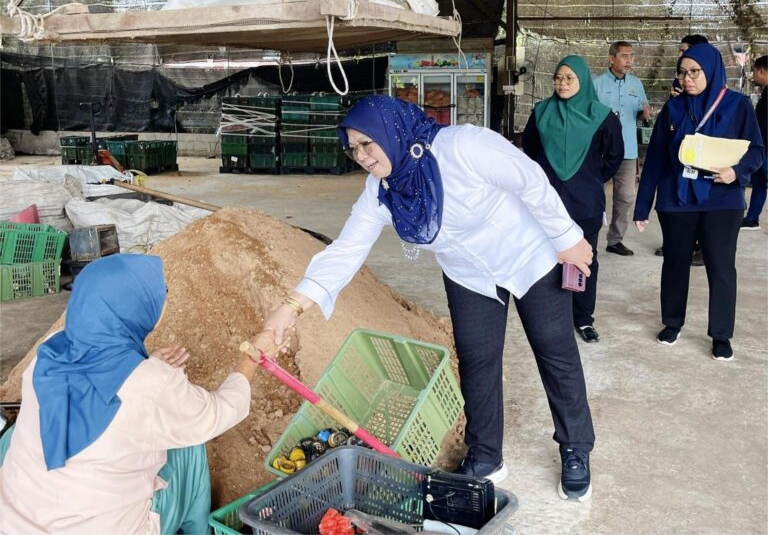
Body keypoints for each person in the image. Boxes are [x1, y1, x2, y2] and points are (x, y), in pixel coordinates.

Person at [262, 95, 597, 502]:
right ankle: (487, 456)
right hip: (469, 273)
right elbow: (345, 251)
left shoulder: (461, 146)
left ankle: (575, 447)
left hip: (529, 255)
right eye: (353, 148)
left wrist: (569, 239)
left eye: (368, 143)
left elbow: (529, 179)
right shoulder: (382, 191)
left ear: (392, 132)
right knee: (477, 359)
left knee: (554, 350)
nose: (362, 156)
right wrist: (293, 305)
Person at [0, 254, 272, 534]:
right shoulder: (150, 385)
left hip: (15, 522)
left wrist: (143, 364)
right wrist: (250, 361)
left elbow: (97, 384)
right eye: (160, 293)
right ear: (137, 307)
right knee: (188, 445)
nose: (165, 298)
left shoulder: (47, 354)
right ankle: (196, 528)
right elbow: (216, 413)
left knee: (15, 435)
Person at [633, 43, 764, 362]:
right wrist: (642, 205)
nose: (687, 78)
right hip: (677, 198)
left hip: (722, 200)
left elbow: (757, 151)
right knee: (675, 263)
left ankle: (721, 334)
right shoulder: (674, 109)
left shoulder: (738, 105)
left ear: (712, 71)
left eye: (695, 72)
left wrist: (737, 172)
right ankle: (672, 322)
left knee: (721, 267)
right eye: (682, 72)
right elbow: (656, 160)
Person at [523, 55, 624, 344]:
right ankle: (551, 318)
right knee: (546, 259)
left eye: (569, 78)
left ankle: (583, 319)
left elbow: (614, 155)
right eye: (558, 77)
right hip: (547, 203)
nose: (562, 83)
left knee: (583, 261)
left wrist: (590, 179)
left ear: (582, 80)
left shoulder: (602, 116)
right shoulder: (541, 112)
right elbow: (530, 151)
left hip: (585, 203)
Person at [594, 41, 652, 256]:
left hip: (627, 150)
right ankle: (586, 235)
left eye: (631, 56)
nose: (630, 61)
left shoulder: (636, 84)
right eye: (625, 56)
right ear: (612, 58)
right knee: (593, 193)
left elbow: (641, 112)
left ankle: (615, 240)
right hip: (601, 150)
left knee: (626, 196)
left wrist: (645, 115)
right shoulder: (596, 84)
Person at [657, 33, 709, 264]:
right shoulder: (678, 88)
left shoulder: (729, 101)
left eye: (684, 50)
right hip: (678, 168)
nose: (680, 56)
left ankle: (701, 246)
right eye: (683, 71)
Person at [742, 54, 768, 230]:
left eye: (754, 72)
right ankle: (752, 219)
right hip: (761, 146)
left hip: (765, 147)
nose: (753, 76)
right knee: (759, 182)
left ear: (762, 70)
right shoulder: (765, 92)